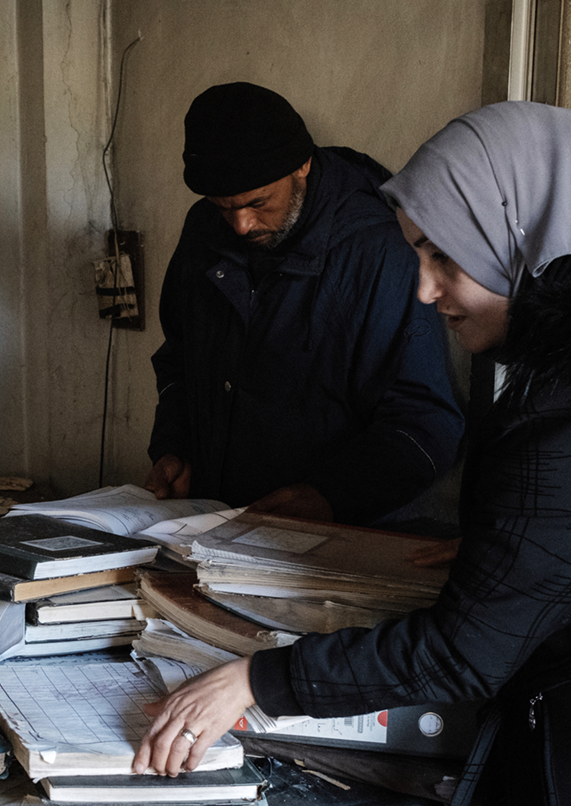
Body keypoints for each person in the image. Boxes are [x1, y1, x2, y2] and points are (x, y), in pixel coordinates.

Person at [136, 102, 571, 806]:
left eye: (445, 258)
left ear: (524, 238)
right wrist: (499, 557)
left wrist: (257, 684)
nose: (424, 288)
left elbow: (465, 650)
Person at [145, 82, 464, 526]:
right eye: (223, 207)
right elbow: (179, 360)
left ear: (302, 165)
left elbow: (426, 422)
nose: (240, 224)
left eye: (258, 203)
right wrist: (174, 447)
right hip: (214, 528)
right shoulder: (204, 231)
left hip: (336, 542)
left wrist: (331, 496)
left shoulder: (378, 250)